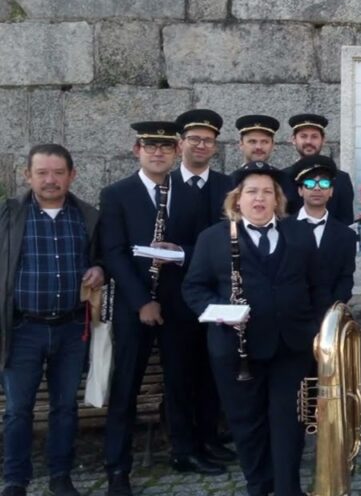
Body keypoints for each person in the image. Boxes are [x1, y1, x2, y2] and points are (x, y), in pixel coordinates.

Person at [182, 162, 330, 496]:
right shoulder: (212, 238)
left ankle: (288, 489)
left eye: (267, 192)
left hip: (291, 346)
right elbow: (194, 288)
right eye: (252, 192)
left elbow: (318, 287)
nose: (259, 199)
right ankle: (259, 487)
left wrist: (314, 328)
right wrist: (220, 312)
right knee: (247, 425)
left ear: (278, 199)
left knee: (288, 423)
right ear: (237, 199)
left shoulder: (300, 233)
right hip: (236, 349)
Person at [101, 122, 224, 496]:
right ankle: (117, 468)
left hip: (178, 306)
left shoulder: (189, 196)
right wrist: (142, 301)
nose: (158, 153)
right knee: (126, 387)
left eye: (165, 147)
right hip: (135, 306)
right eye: (150, 146)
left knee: (181, 381)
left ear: (176, 151)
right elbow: (114, 253)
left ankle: (184, 452)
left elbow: (201, 247)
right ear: (136, 150)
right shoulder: (116, 193)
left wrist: (181, 254)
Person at [0, 145, 103, 496]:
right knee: (17, 410)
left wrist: (99, 269)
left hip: (72, 328)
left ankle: (61, 475)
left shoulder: (87, 216)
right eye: (42, 172)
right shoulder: (9, 215)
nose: (50, 180)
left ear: (72, 175)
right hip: (22, 329)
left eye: (58, 172)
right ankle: (16, 479)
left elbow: (101, 259)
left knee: (64, 407)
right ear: (27, 175)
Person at [171, 109, 237, 463]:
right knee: (181, 374)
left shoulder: (228, 187)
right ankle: (184, 448)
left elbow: (232, 241)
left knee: (214, 372)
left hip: (219, 296)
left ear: (215, 146)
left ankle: (210, 439)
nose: (200, 145)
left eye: (207, 140)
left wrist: (183, 252)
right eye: (194, 139)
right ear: (180, 143)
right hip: (175, 297)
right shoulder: (164, 186)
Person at [292, 154, 357, 303]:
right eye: (309, 183)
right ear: (300, 190)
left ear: (331, 191)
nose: (317, 188)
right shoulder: (282, 230)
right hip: (291, 316)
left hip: (330, 314)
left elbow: (345, 280)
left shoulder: (346, 235)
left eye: (324, 184)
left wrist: (331, 312)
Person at [280, 114, 356, 226]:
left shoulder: (341, 179)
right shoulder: (282, 177)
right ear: (294, 140)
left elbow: (346, 222)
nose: (308, 141)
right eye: (303, 136)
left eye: (314, 137)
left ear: (323, 140)